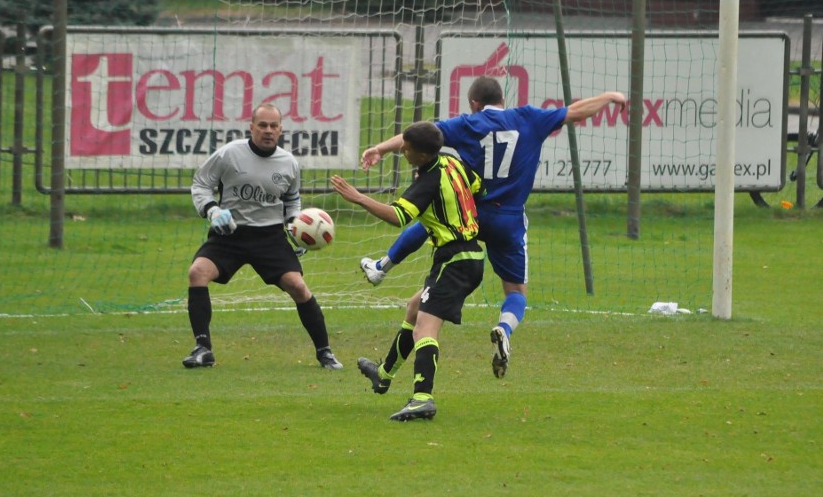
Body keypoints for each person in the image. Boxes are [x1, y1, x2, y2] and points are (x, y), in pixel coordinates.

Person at [358, 76, 626, 380]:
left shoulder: (469, 123)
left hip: (471, 210)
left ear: (474, 103)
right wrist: (609, 95)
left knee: (431, 220)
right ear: (502, 98)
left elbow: (418, 136)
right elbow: (574, 112)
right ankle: (504, 327)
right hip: (508, 219)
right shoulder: (529, 117)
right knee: (516, 291)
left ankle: (383, 265)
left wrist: (380, 148)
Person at [331, 121, 484, 421]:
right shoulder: (452, 162)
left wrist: (360, 198)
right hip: (471, 255)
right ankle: (384, 374)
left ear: (423, 155)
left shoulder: (428, 180)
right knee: (414, 307)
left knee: (425, 328)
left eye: (407, 148)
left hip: (453, 259)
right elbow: (478, 185)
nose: (402, 149)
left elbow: (398, 217)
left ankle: (422, 398)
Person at [183, 102, 343, 370]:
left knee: (298, 286)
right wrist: (212, 211)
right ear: (251, 127)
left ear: (280, 129)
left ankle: (325, 352)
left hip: (270, 238)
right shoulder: (229, 154)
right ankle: (203, 349)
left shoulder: (289, 163)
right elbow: (201, 184)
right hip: (229, 234)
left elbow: (292, 200)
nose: (268, 131)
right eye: (262, 125)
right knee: (197, 272)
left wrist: (295, 226)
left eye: (273, 126)